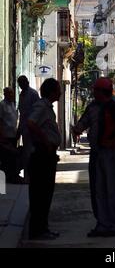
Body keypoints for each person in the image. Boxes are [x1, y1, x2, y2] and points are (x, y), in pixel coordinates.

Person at [72, 77, 115, 237]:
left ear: (99, 91)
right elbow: (81, 125)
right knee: (99, 190)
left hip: (112, 153)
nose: (93, 92)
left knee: (112, 190)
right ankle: (104, 224)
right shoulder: (96, 107)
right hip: (99, 153)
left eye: (95, 90)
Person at [27, 78, 62, 240]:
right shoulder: (41, 106)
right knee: (41, 194)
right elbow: (31, 123)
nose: (60, 92)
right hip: (41, 156)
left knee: (45, 194)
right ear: (52, 91)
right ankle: (38, 230)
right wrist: (46, 141)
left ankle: (43, 228)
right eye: (58, 89)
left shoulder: (47, 107)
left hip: (46, 155)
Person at [17, 76, 40, 181]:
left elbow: (38, 111)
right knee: (26, 153)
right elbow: (21, 114)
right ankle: (27, 176)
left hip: (32, 128)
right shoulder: (21, 95)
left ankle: (32, 176)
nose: (21, 85)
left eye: (23, 83)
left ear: (27, 82)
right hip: (24, 128)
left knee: (31, 153)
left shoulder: (33, 94)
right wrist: (19, 129)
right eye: (20, 83)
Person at [0, 87, 20, 183]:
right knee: (6, 158)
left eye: (12, 93)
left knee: (12, 157)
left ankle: (12, 175)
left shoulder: (13, 104)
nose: (12, 95)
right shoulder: (2, 105)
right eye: (10, 93)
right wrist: (2, 135)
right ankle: (5, 178)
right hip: (6, 136)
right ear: (5, 94)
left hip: (13, 135)